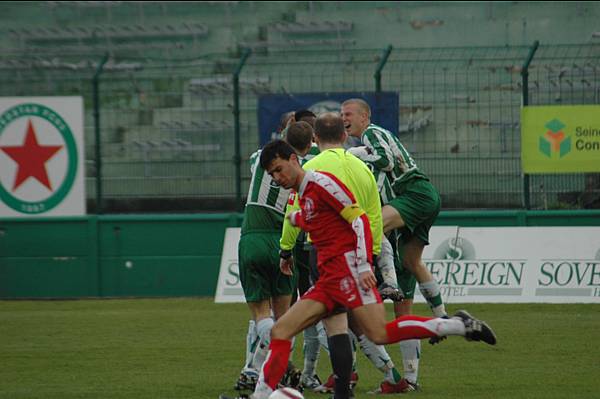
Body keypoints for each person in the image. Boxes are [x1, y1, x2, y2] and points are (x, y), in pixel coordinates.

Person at [218, 140, 496, 399]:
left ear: (294, 159)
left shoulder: (321, 183)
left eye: (279, 169)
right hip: (329, 280)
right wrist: (298, 219)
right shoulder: (303, 193)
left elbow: (359, 219)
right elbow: (322, 221)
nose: (278, 178)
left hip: (350, 274)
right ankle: (261, 395)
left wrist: (364, 266)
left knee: (380, 334)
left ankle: (459, 324)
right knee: (280, 332)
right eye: (272, 174)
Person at [279, 113, 407, 395]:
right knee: (359, 324)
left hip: (326, 255)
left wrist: (286, 249)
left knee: (334, 323)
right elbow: (371, 215)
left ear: (315, 138)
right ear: (345, 136)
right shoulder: (362, 169)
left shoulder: (311, 169)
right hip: (361, 255)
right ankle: (386, 375)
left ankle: (343, 381)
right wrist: (369, 257)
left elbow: (293, 213)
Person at [342, 98, 446, 390]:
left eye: (347, 113)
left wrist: (355, 155)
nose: (343, 118)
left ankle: (382, 279)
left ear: (364, 117)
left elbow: (386, 161)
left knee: (374, 226)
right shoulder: (367, 154)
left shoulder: (372, 133)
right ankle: (435, 330)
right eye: (340, 115)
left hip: (416, 194)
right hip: (413, 206)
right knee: (411, 269)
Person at [234, 120, 315, 392]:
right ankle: (279, 371)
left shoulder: (262, 159)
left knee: (260, 315)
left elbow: (259, 156)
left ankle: (260, 372)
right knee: (286, 318)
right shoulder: (309, 164)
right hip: (284, 238)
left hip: (254, 237)